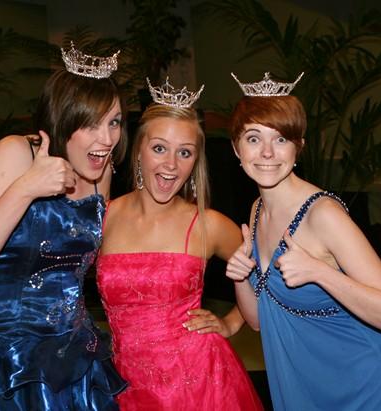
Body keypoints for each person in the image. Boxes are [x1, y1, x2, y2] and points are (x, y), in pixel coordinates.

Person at [0, 45, 128, 410]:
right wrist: (26, 188)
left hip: (72, 353)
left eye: (114, 122)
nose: (107, 139)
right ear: (62, 120)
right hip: (2, 358)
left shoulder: (102, 171)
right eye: (91, 124)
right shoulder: (16, 153)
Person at [225, 71, 381, 410]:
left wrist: (320, 272)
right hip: (309, 385)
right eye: (254, 138)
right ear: (236, 148)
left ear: (299, 147)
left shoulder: (323, 215)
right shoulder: (258, 209)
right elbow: (259, 322)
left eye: (281, 139)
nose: (267, 153)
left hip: (368, 386)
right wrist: (241, 276)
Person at [95, 78, 264, 410]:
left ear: (195, 161)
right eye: (159, 148)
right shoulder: (104, 217)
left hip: (201, 388)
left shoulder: (208, 224)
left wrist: (231, 322)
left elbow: (265, 273)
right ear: (138, 149)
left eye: (184, 152)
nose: (171, 164)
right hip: (125, 385)